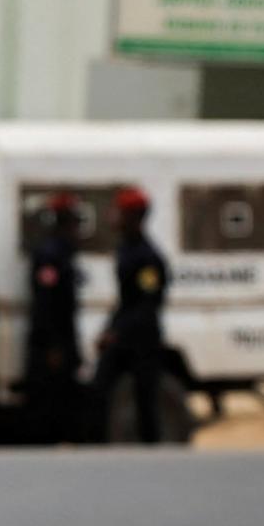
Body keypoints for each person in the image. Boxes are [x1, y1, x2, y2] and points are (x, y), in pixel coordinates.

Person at [89, 185, 172, 443]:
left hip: (142, 339)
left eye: (121, 212)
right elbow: (124, 300)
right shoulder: (126, 249)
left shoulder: (148, 257)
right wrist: (108, 329)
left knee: (146, 399)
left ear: (135, 216)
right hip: (123, 335)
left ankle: (151, 452)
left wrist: (117, 332)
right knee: (99, 391)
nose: (115, 217)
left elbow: (147, 305)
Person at [21, 191, 85, 443]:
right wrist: (53, 345)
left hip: (62, 338)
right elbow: (46, 304)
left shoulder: (65, 252)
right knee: (47, 399)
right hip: (50, 342)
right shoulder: (51, 254)